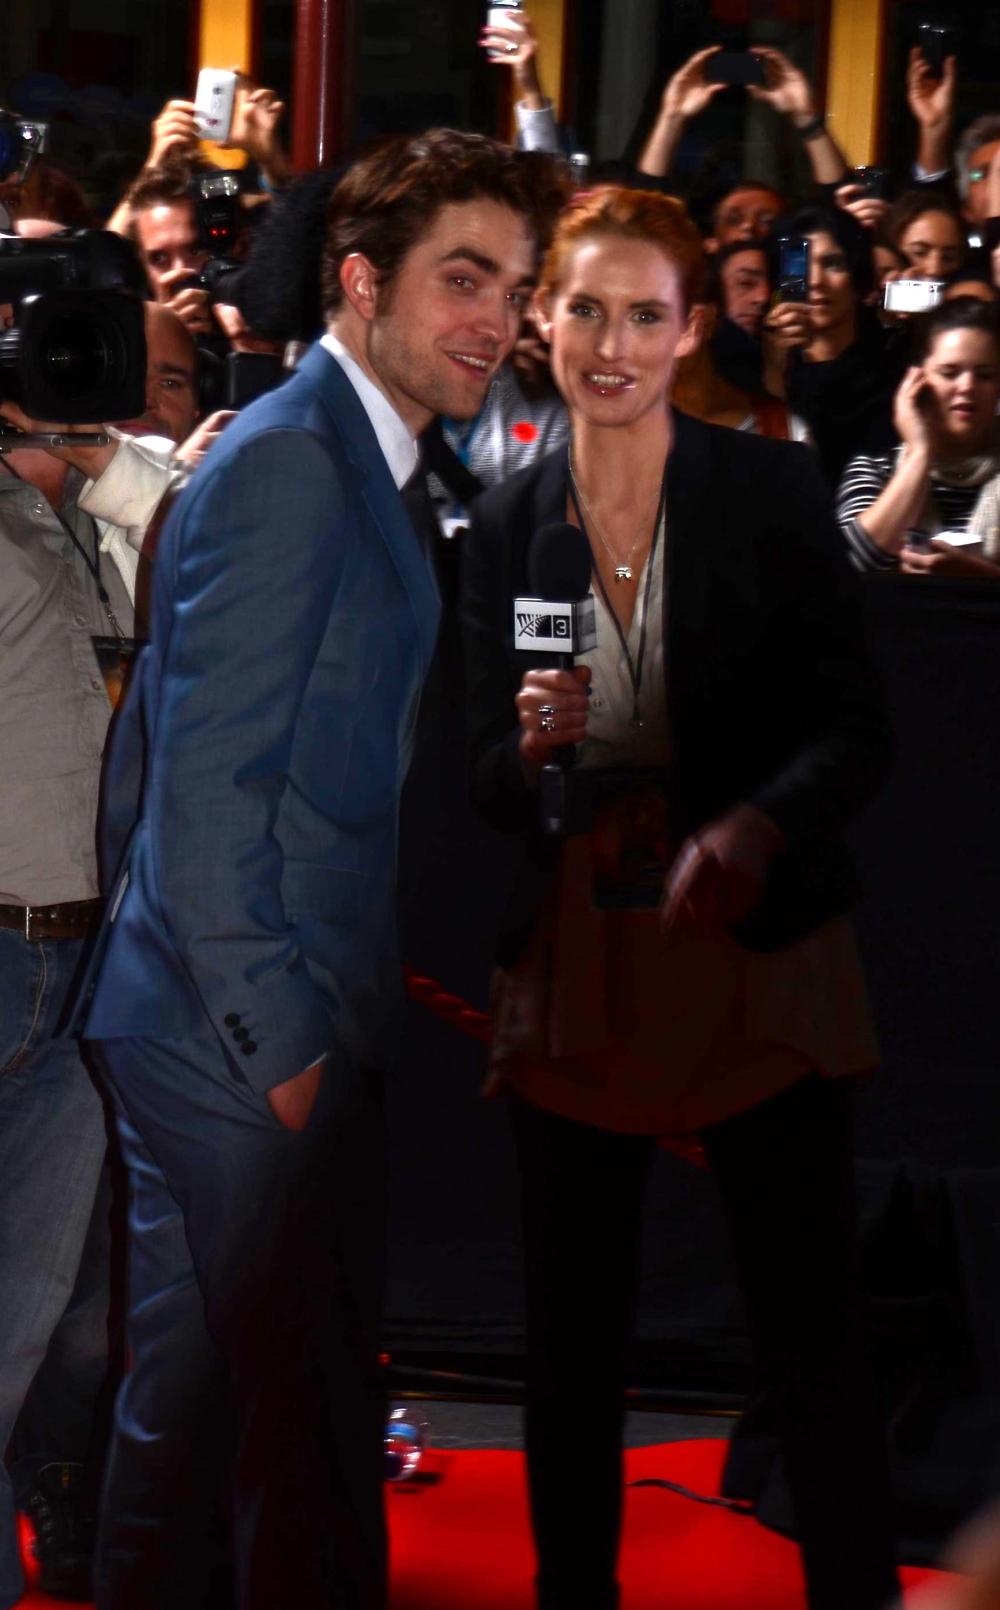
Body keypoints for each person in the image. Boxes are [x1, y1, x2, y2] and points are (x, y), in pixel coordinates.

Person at [79, 127, 555, 1610]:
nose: (498, 320)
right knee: (248, 1437)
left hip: (248, 1020)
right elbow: (202, 793)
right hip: (236, 1034)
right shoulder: (294, 462)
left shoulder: (364, 454)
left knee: (236, 1426)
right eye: (464, 280)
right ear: (360, 282)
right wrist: (279, 1047)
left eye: (516, 288)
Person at [461, 183, 898, 1610]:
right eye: (585, 309)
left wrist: (760, 825)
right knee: (570, 1351)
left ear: (692, 326)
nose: (612, 344)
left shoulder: (769, 492)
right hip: (578, 972)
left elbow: (859, 730)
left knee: (812, 1336)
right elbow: (475, 777)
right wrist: (524, 754)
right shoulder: (505, 522)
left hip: (756, 964)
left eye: (644, 314)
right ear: (541, 319)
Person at [0, 300, 196, 1608]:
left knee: (27, 1327)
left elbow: (211, 542)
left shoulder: (125, 496)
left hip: (85, 965)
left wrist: (83, 449)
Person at [837, 297, 1000, 578]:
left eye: (984, 375)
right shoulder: (875, 470)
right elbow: (849, 564)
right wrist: (920, 453)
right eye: (949, 373)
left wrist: (982, 578)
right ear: (918, 381)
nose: (967, 386)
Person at [764, 203, 907, 485]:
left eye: (833, 264)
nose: (816, 281)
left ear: (857, 276)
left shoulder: (893, 365)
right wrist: (773, 372)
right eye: (801, 265)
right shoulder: (768, 361)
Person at [636, 43, 848, 227]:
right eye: (733, 219)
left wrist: (805, 117)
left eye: (767, 220)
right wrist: (672, 116)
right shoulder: (692, 262)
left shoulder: (797, 259)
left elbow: (842, 210)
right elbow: (645, 215)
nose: (748, 227)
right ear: (711, 242)